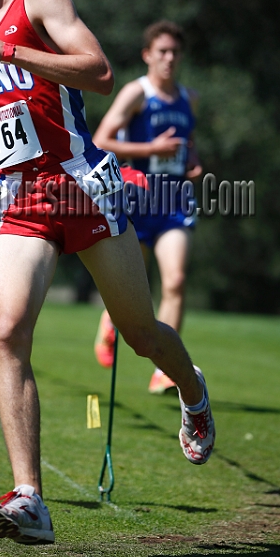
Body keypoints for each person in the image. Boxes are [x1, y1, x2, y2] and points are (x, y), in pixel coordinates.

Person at [0, 0, 215, 547]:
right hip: (20, 195)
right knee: (8, 332)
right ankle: (30, 498)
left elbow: (96, 71)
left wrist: (9, 52)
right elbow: (17, 103)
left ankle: (191, 389)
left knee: (141, 331)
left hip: (82, 185)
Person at [92, 20, 202, 395]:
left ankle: (164, 371)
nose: (169, 59)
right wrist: (151, 150)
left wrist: (193, 162)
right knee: (130, 286)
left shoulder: (189, 97)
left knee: (175, 280)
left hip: (174, 201)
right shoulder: (135, 93)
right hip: (136, 199)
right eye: (162, 52)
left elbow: (189, 141)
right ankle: (110, 321)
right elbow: (102, 138)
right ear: (148, 56)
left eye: (175, 52)